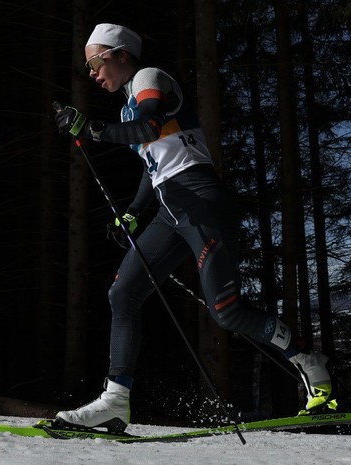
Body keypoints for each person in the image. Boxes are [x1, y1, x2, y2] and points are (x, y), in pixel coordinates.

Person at [53, 23, 333, 433]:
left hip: (201, 202)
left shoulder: (149, 79)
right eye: (88, 67)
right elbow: (154, 163)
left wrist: (93, 130)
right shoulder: (126, 105)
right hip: (171, 208)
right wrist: (132, 211)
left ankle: (308, 358)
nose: (93, 73)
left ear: (122, 55)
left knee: (226, 312)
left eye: (96, 61)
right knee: (123, 292)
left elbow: (150, 128)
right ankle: (115, 402)